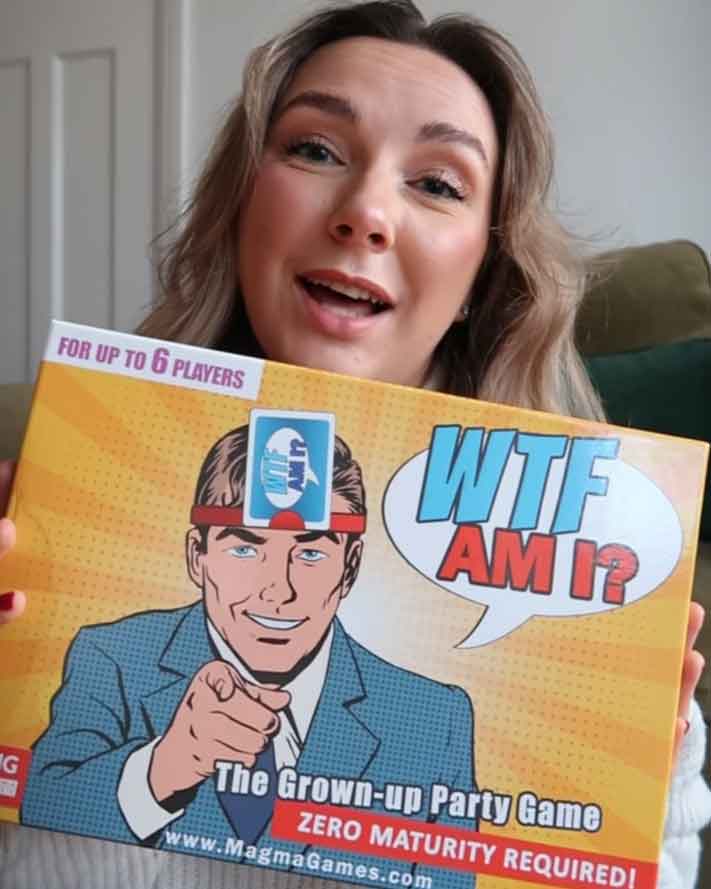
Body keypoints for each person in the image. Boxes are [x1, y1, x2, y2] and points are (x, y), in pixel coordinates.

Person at [0, 1, 709, 887]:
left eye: (438, 183)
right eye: (315, 149)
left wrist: (646, 778)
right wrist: (157, 769)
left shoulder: (447, 706)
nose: (366, 212)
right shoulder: (98, 647)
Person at [19, 423, 475, 889]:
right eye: (244, 548)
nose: (278, 590)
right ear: (197, 557)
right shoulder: (113, 658)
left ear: (350, 566)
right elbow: (38, 803)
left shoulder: (434, 718)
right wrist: (167, 765)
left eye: (311, 553)